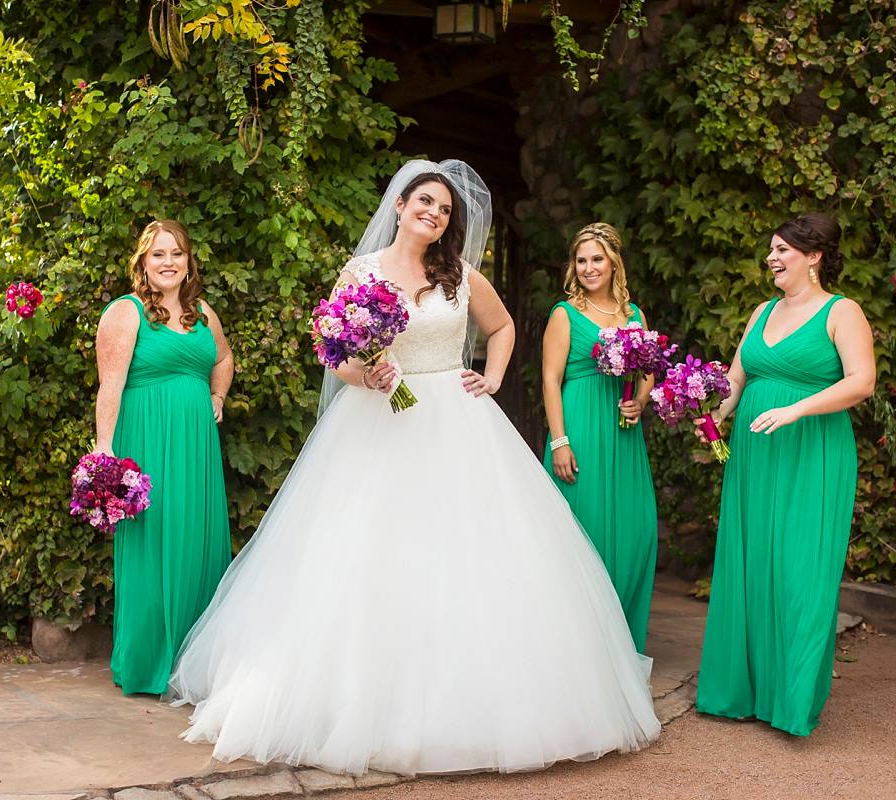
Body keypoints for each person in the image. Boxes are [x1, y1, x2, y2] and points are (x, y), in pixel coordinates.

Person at [166, 160, 660, 776]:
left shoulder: (460, 276)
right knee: (369, 557)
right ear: (399, 207)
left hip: (457, 418)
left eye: (445, 209)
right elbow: (336, 355)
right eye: (425, 202)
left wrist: (495, 375)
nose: (435, 213)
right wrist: (365, 374)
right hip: (378, 423)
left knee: (469, 557)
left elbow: (502, 327)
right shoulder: (362, 273)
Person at [695, 213, 875, 736]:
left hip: (812, 451)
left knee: (800, 571)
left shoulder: (843, 312)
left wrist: (797, 410)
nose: (771, 259)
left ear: (813, 256)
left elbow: (862, 382)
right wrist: (707, 418)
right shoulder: (761, 311)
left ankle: (791, 701)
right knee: (750, 565)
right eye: (771, 251)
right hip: (755, 454)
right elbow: (734, 379)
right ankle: (742, 693)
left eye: (782, 251)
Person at [94, 219, 234, 695]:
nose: (168, 262)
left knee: (198, 540)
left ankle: (193, 664)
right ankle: (147, 663)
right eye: (158, 254)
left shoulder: (202, 313)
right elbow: (109, 385)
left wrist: (217, 396)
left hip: (197, 449)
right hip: (148, 445)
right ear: (143, 262)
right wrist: (104, 449)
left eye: (176, 253)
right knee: (153, 545)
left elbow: (223, 359)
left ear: (188, 261)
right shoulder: (126, 312)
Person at [541, 223, 658, 653]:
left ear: (614, 264)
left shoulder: (633, 315)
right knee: (583, 534)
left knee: (636, 533)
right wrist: (560, 441)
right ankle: (578, 651)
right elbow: (551, 381)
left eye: (597, 259)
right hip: (581, 430)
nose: (589, 268)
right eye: (582, 259)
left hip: (623, 434)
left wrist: (642, 400)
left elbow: (647, 370)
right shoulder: (564, 313)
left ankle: (620, 647)